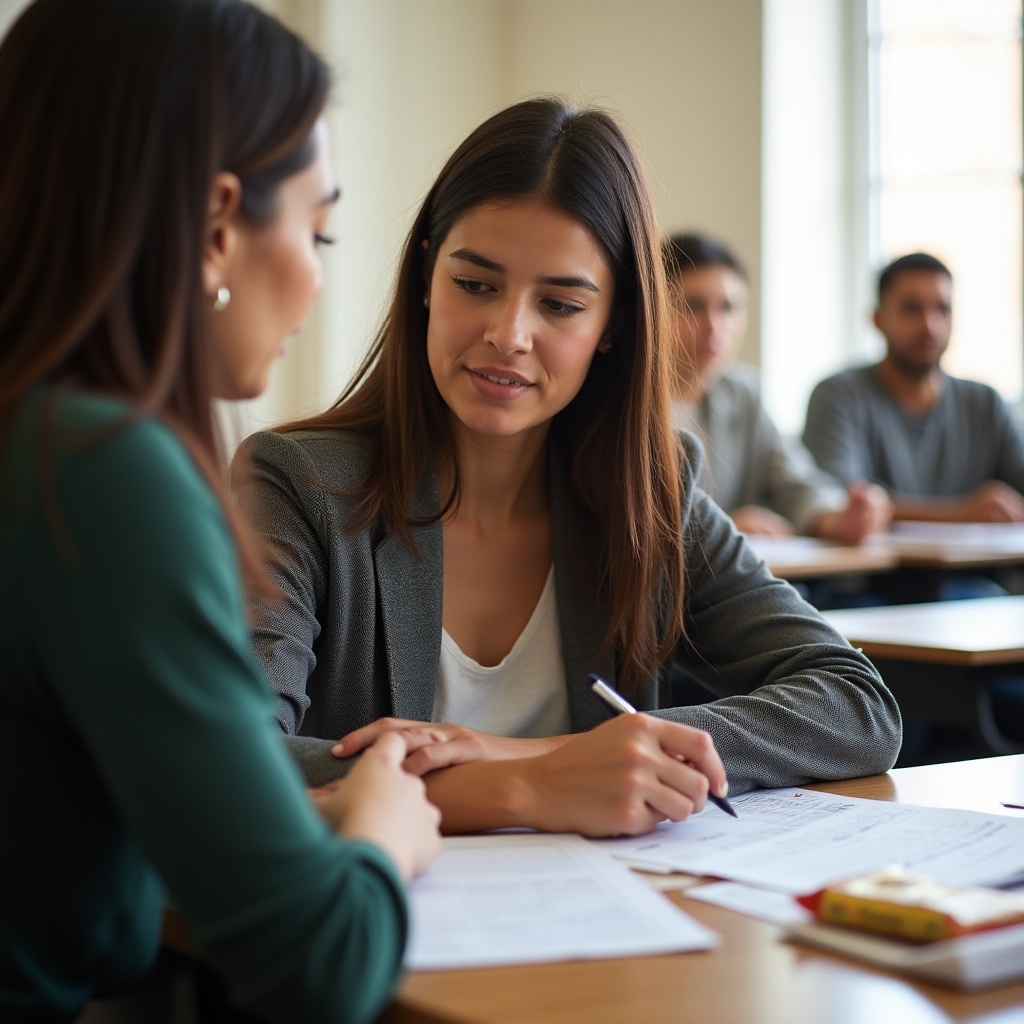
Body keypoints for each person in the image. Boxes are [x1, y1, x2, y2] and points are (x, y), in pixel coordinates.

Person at [234, 97, 902, 839]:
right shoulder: (298, 484)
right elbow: (234, 754)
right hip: (388, 930)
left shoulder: (654, 491)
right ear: (427, 276)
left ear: (613, 324)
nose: (508, 334)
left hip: (611, 934)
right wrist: (526, 784)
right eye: (476, 284)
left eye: (559, 304)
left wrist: (563, 753)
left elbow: (855, 703)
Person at [0, 2, 441, 1022]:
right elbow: (320, 963)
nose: (319, 277)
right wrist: (380, 826)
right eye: (316, 227)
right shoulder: (105, 471)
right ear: (212, 227)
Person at [663, 232, 892, 543]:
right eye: (693, 305)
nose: (715, 326)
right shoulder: (621, 399)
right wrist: (721, 530)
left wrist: (841, 519)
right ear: (654, 307)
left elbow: (795, 484)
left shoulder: (743, 392)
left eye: (728, 307)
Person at [804, 252, 1024, 522]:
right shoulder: (839, 396)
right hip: (880, 565)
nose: (929, 325)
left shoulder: (986, 402)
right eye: (912, 309)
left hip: (986, 565)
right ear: (877, 319)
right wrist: (962, 513)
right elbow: (837, 504)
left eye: (942, 310)